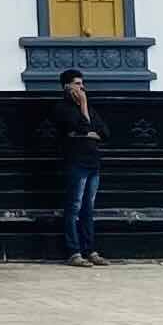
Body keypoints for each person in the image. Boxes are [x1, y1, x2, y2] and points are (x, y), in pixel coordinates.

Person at [55, 67, 108, 264]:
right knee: (74, 207)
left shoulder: (90, 110)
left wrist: (85, 132)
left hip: (93, 163)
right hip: (76, 162)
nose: (82, 88)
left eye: (83, 84)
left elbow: (104, 132)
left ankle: (90, 250)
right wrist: (84, 109)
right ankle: (74, 251)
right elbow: (85, 127)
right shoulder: (62, 109)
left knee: (88, 208)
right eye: (78, 84)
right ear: (67, 87)